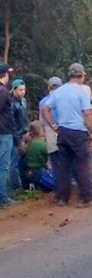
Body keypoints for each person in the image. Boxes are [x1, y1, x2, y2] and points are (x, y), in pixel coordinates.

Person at [42, 63, 92, 208]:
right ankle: (86, 197)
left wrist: (53, 125)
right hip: (78, 131)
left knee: (64, 165)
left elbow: (45, 109)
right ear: (82, 75)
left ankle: (62, 197)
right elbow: (87, 113)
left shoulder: (59, 91)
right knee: (82, 163)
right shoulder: (81, 91)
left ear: (69, 75)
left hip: (62, 132)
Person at [38, 76, 62, 188]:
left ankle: (57, 183)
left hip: (50, 132)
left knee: (55, 160)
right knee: (68, 158)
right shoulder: (64, 98)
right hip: (65, 131)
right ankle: (70, 180)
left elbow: (41, 122)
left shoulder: (43, 102)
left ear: (48, 87)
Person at [0, 62, 17, 208]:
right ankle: (3, 198)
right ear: (4, 75)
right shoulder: (3, 91)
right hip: (3, 133)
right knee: (3, 166)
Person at [20, 120, 54, 191]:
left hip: (28, 174)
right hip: (38, 173)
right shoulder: (41, 144)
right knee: (58, 184)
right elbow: (51, 156)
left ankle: (32, 186)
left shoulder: (28, 143)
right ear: (40, 131)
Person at [10, 78, 29, 190]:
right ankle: (16, 187)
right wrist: (17, 139)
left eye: (24, 90)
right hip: (16, 137)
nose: (22, 92)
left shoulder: (24, 101)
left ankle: (24, 184)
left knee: (24, 162)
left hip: (25, 135)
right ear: (14, 90)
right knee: (14, 163)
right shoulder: (12, 104)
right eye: (20, 90)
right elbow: (11, 124)